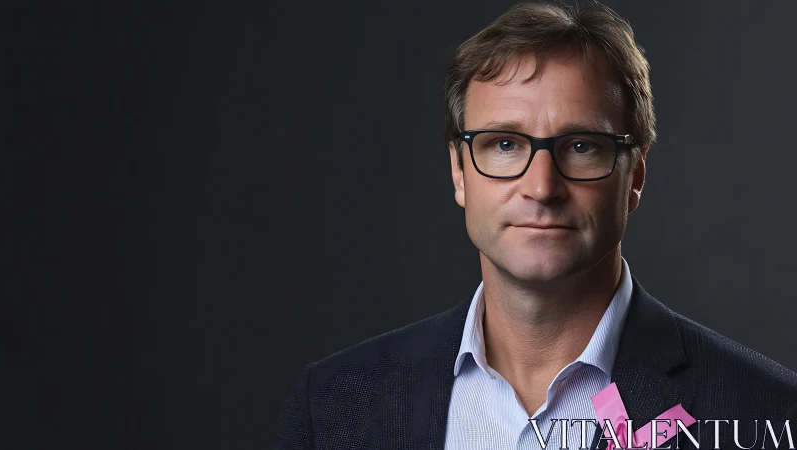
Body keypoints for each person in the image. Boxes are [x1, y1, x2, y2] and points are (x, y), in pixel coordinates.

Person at [275, 2, 797, 449]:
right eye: (505, 144)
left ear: (634, 175)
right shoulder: (333, 406)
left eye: (581, 146)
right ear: (459, 171)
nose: (541, 187)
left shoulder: (767, 413)